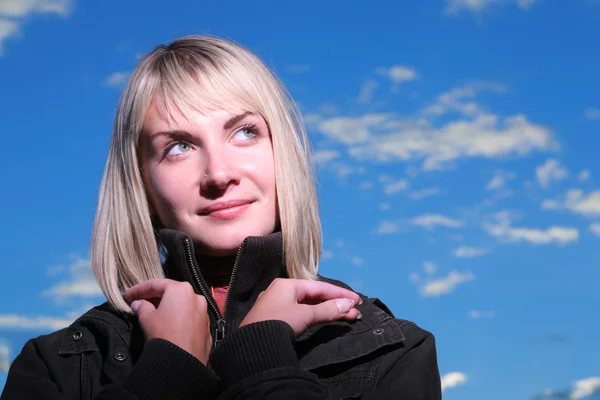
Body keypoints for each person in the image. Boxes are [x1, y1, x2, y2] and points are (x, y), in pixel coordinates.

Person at [1, 36, 441, 400]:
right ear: (142, 185)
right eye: (178, 147)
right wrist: (165, 374)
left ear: (281, 153)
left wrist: (262, 356)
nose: (219, 173)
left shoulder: (394, 352)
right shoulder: (54, 368)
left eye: (245, 132)